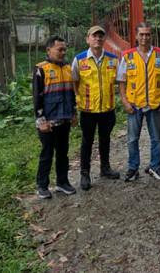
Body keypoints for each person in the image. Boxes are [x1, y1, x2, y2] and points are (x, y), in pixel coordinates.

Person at [117, 22, 160, 182]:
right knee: (132, 139)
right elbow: (121, 81)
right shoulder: (127, 56)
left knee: (156, 138)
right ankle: (133, 168)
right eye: (141, 34)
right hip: (134, 104)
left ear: (151, 35)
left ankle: (155, 166)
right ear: (136, 36)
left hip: (155, 104)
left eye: (147, 34)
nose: (144, 37)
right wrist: (125, 101)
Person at [71, 25, 121, 191]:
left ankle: (105, 168)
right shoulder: (79, 59)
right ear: (88, 39)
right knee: (87, 141)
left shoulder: (113, 59)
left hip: (107, 109)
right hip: (88, 110)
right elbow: (74, 82)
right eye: (94, 36)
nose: (98, 39)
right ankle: (85, 173)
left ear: (104, 39)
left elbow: (120, 81)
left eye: (101, 36)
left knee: (105, 139)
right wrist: (77, 101)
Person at [34, 35, 77, 199]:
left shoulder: (68, 68)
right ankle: (42, 185)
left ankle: (62, 182)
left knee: (63, 153)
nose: (63, 52)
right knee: (47, 154)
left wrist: (73, 113)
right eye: (60, 49)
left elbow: (71, 94)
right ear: (49, 50)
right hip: (48, 122)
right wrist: (41, 121)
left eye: (64, 49)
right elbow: (37, 97)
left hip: (64, 119)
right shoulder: (41, 69)